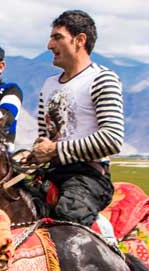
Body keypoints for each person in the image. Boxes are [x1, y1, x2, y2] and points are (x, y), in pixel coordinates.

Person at [30, 10, 124, 227]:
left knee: (66, 223)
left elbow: (112, 139)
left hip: (88, 176)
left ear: (80, 40)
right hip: (51, 173)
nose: (49, 45)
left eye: (57, 37)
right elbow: (45, 138)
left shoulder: (102, 79)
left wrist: (55, 150)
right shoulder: (48, 85)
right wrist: (34, 154)